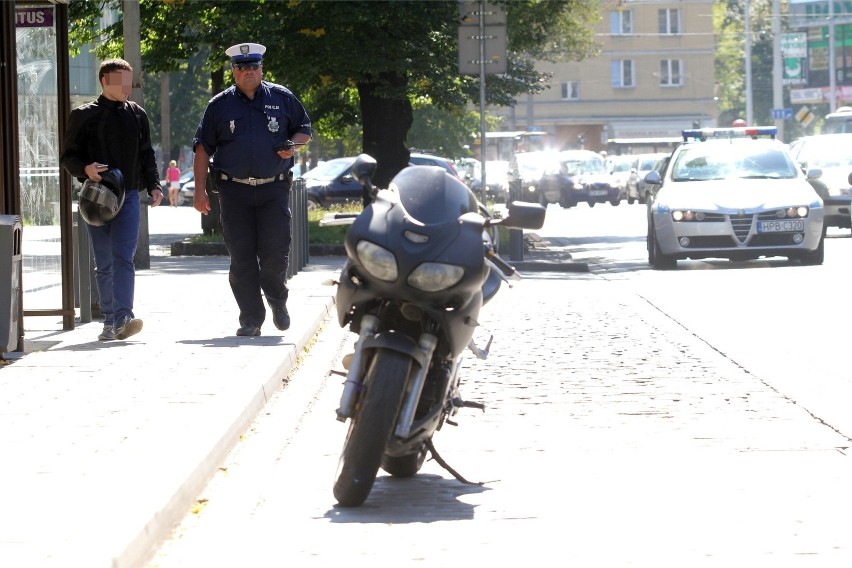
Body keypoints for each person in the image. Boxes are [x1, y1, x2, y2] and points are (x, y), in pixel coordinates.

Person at [192, 42, 312, 337]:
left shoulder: (282, 98)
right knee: (242, 258)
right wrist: (199, 191)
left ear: (262, 69)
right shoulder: (219, 105)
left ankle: (276, 299)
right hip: (234, 192)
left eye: (254, 67)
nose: (248, 72)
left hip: (273, 191)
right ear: (233, 71)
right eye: (242, 67)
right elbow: (202, 148)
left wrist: (292, 145)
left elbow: (304, 129)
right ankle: (251, 318)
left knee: (275, 255)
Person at [60, 58, 164, 341]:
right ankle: (109, 320)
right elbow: (68, 156)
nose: (127, 88)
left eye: (130, 83)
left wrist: (154, 185)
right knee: (104, 261)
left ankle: (122, 318)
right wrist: (85, 169)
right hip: (96, 197)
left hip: (129, 195)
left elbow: (147, 154)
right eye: (122, 83)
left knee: (123, 258)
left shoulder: (137, 115)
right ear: (105, 81)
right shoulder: (83, 115)